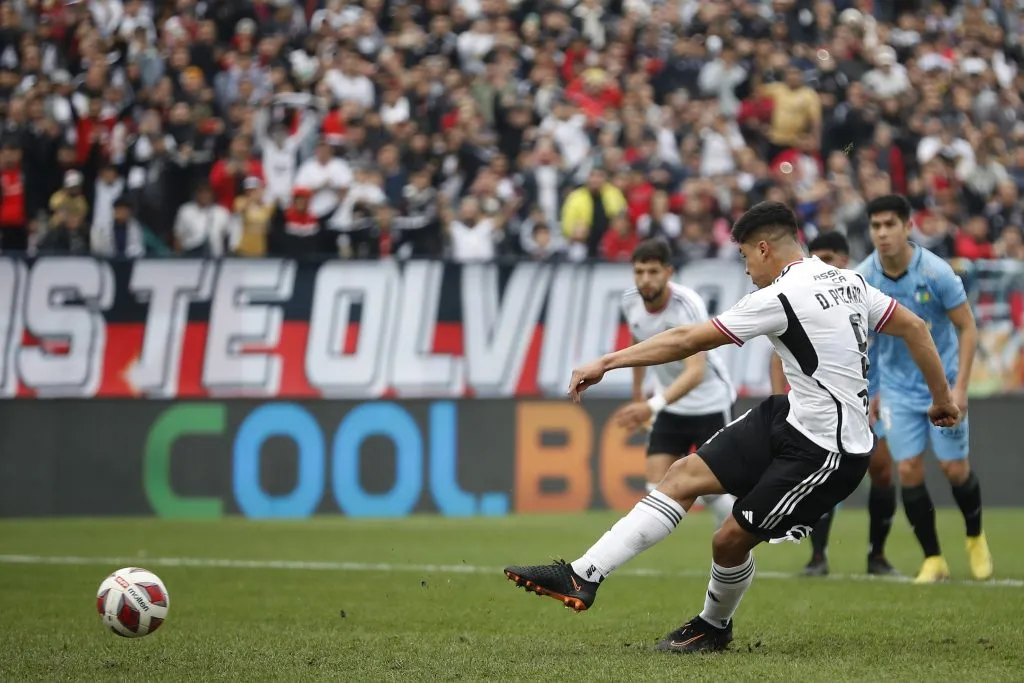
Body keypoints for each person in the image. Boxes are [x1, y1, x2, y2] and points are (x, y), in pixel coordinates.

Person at [503, 201, 960, 653]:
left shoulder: (781, 295)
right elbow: (917, 328)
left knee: (728, 540)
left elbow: (687, 339)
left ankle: (713, 625)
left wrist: (607, 361)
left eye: (744, 256)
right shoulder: (849, 280)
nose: (745, 270)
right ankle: (583, 574)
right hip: (791, 415)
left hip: (829, 450)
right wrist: (942, 398)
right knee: (681, 476)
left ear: (763, 249)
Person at [858, 194, 993, 584]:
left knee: (954, 470)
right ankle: (933, 558)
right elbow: (864, 340)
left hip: (943, 387)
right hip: (898, 392)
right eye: (875, 226)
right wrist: (871, 391)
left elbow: (967, 327)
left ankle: (974, 536)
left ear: (907, 227)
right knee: (909, 470)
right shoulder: (864, 277)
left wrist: (961, 388)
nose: (882, 233)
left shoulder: (936, 273)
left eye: (889, 225)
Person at [769, 232, 898, 577]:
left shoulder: (862, 292)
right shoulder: (807, 294)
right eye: (816, 256)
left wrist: (884, 391)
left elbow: (890, 348)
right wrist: (781, 396)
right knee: (824, 475)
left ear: (844, 259)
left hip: (874, 394)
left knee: (883, 470)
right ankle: (818, 556)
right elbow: (778, 348)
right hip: (829, 400)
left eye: (828, 257)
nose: (820, 264)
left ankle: (878, 555)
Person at [618, 238, 737, 528]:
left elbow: (695, 372)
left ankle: (740, 539)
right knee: (654, 487)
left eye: (653, 272)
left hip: (709, 403)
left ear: (668, 272)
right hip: (671, 405)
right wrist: (638, 395)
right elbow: (638, 340)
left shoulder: (687, 304)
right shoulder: (630, 301)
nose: (645, 280)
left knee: (712, 490)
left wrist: (652, 406)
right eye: (639, 272)